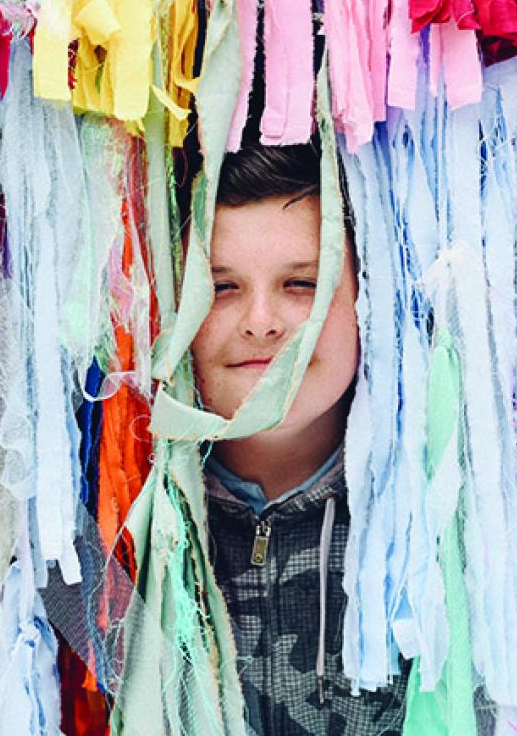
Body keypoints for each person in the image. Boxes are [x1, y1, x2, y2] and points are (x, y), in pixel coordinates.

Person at [191, 143, 407, 734]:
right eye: (221, 286)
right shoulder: (121, 543)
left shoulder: (433, 537)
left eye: (302, 283)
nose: (261, 320)